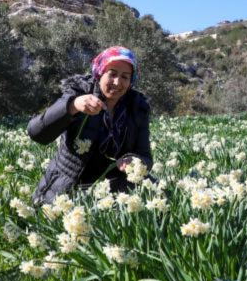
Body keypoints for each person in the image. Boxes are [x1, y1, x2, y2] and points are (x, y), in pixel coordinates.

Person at [28, 46, 153, 204]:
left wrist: (133, 160)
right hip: (67, 189)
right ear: (100, 73)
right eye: (112, 74)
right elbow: (36, 133)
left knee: (160, 200)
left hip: (114, 191)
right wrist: (72, 106)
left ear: (131, 81)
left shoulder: (137, 108)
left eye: (125, 77)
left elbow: (145, 156)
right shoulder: (79, 94)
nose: (117, 82)